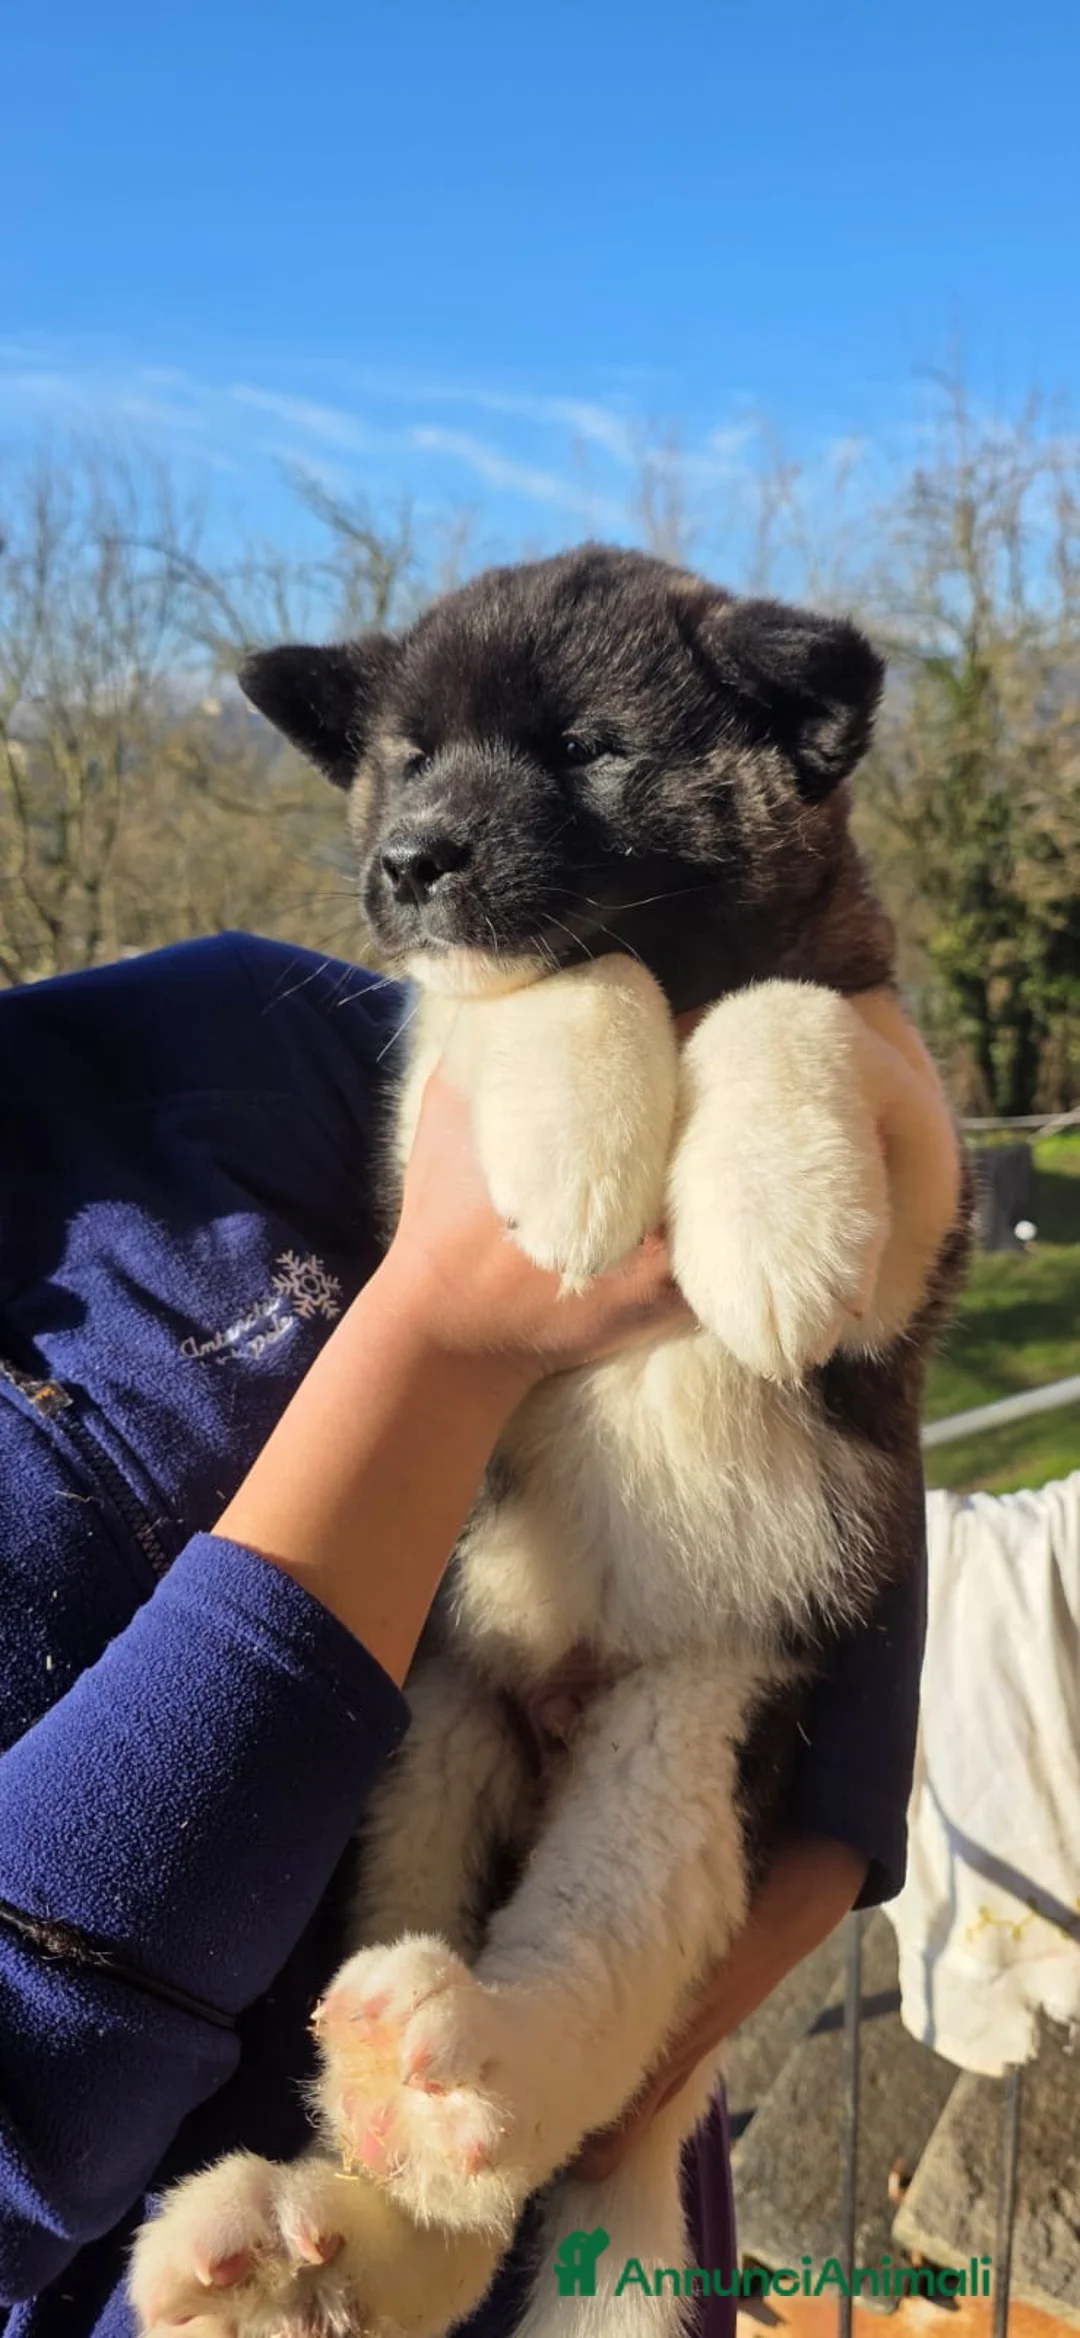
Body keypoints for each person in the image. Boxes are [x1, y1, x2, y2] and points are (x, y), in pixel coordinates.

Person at [0, 931, 925, 2338]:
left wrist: (835, 1808)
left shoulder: (234, 1034)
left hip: (628, 2006)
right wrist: (438, 1341)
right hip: (210, 2272)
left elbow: (774, 1267)